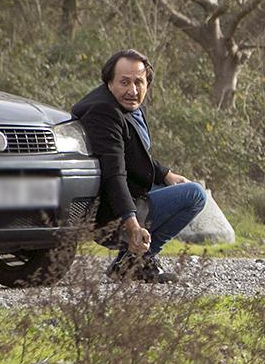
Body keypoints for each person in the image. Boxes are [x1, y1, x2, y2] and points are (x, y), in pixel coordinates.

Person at [72, 49, 206, 283]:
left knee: (183, 186)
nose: (132, 91)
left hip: (129, 195)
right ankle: (138, 261)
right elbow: (114, 173)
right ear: (109, 82)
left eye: (138, 82)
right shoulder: (104, 112)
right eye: (124, 82)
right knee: (195, 195)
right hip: (110, 213)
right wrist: (131, 223)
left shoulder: (128, 108)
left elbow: (133, 156)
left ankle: (129, 263)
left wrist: (166, 174)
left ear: (147, 84)